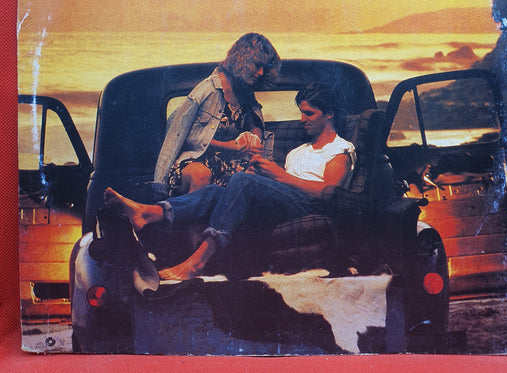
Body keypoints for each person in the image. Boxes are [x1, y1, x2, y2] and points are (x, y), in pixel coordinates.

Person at [105, 82, 355, 281]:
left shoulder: (339, 150)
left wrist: (278, 175)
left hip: (311, 206)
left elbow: (328, 192)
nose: (302, 119)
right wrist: (262, 173)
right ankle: (150, 212)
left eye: (309, 113)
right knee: (218, 190)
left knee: (241, 181)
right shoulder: (298, 152)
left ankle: (197, 261)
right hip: (285, 203)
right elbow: (281, 187)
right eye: (301, 112)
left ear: (329, 114)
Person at [153, 33, 281, 196]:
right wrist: (159, 185)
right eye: (257, 65)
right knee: (201, 175)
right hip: (193, 161)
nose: (261, 73)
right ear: (243, 58)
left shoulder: (246, 92)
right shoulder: (207, 90)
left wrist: (255, 140)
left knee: (260, 177)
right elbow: (178, 136)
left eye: (265, 69)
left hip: (228, 163)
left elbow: (254, 123)